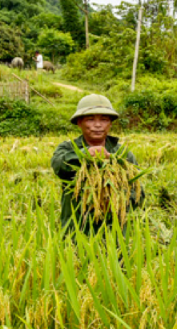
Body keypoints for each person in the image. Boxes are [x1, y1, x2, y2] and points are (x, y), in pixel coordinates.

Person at [51, 94, 144, 234]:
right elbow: (59, 166)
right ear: (79, 122)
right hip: (76, 230)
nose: (98, 125)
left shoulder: (122, 154)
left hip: (114, 232)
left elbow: (138, 193)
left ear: (110, 123)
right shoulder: (67, 149)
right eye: (90, 119)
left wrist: (114, 198)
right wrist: (86, 154)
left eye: (104, 119)